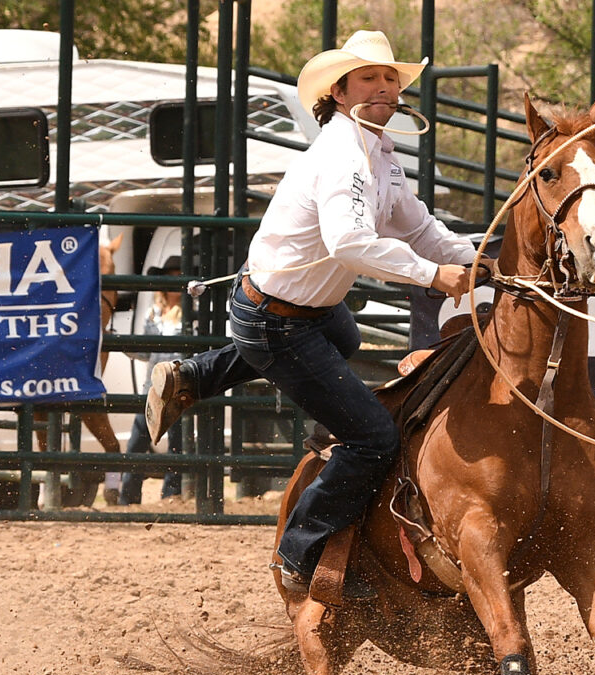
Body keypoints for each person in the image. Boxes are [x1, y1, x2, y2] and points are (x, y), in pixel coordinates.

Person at [145, 29, 491, 595]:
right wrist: (435, 276)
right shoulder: (345, 155)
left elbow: (419, 226)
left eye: (389, 78)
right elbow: (350, 242)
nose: (384, 87)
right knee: (374, 438)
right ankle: (299, 555)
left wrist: (476, 259)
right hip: (279, 320)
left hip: (296, 309)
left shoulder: (376, 151)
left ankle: (197, 374)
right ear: (340, 90)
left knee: (346, 337)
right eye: (369, 78)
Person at [119, 262, 185, 505]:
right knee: (139, 440)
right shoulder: (154, 313)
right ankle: (129, 495)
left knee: (175, 443)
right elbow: (147, 350)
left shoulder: (191, 313)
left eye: (179, 277)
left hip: (178, 386)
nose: (175, 283)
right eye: (172, 278)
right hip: (154, 387)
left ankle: (171, 494)